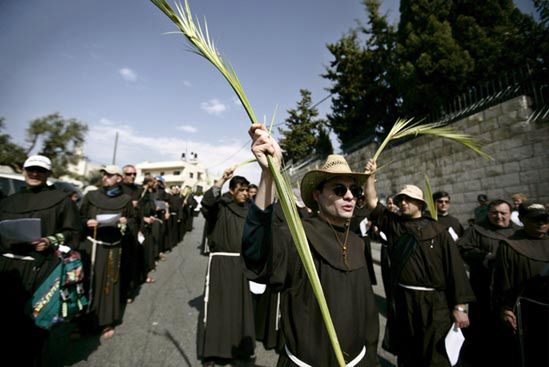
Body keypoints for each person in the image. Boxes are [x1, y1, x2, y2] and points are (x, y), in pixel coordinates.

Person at [243, 124, 380, 366]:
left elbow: (367, 313)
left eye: (354, 190)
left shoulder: (358, 242)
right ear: (317, 195)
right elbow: (257, 255)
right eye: (339, 189)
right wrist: (268, 174)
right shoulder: (298, 237)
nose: (349, 196)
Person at [364, 159, 474, 367]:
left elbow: (455, 270)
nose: (403, 202)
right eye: (401, 199)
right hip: (405, 301)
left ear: (421, 204)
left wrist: (460, 307)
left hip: (435, 304)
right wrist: (370, 177)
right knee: (408, 351)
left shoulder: (439, 232)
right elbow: (371, 203)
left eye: (409, 199)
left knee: (435, 354)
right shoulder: (394, 225)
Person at [0, 155, 80, 365]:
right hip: (7, 267)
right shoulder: (9, 200)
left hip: (40, 268)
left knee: (32, 324)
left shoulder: (60, 200)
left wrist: (50, 240)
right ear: (24, 171)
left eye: (40, 170)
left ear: (48, 174)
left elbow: (72, 232)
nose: (34, 174)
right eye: (31, 169)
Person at [198, 168, 255, 367]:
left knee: (240, 308)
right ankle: (213, 353)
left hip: (242, 263)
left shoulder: (249, 208)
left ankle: (240, 351)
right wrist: (222, 179)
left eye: (247, 190)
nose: (245, 193)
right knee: (217, 307)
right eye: (241, 189)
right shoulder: (220, 205)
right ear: (231, 190)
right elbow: (207, 202)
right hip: (221, 263)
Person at [456, 199, 516, 366]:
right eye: (494, 213)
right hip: (482, 288)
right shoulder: (476, 230)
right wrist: (485, 257)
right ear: (488, 214)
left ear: (510, 214)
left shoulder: (518, 232)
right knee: (483, 328)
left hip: (510, 290)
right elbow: (462, 248)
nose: (499, 217)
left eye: (503, 213)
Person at [79, 165, 135, 339]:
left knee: (109, 284)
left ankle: (106, 322)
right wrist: (86, 222)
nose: (105, 177)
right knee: (88, 282)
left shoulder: (125, 200)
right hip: (93, 245)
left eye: (110, 175)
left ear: (118, 178)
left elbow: (133, 220)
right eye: (104, 174)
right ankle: (84, 323)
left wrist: (125, 221)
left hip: (113, 247)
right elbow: (78, 217)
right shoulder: (91, 196)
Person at [493, 202, 549, 367]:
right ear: (523, 220)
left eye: (545, 219)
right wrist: (505, 308)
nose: (541, 223)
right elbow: (502, 281)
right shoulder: (509, 245)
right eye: (535, 220)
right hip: (527, 311)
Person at [120, 164, 145, 304]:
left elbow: (141, 211)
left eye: (134, 174)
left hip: (134, 227)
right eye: (129, 174)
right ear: (123, 175)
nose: (132, 176)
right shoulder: (118, 189)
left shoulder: (138, 189)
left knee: (131, 260)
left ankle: (129, 290)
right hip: (120, 227)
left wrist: (141, 228)